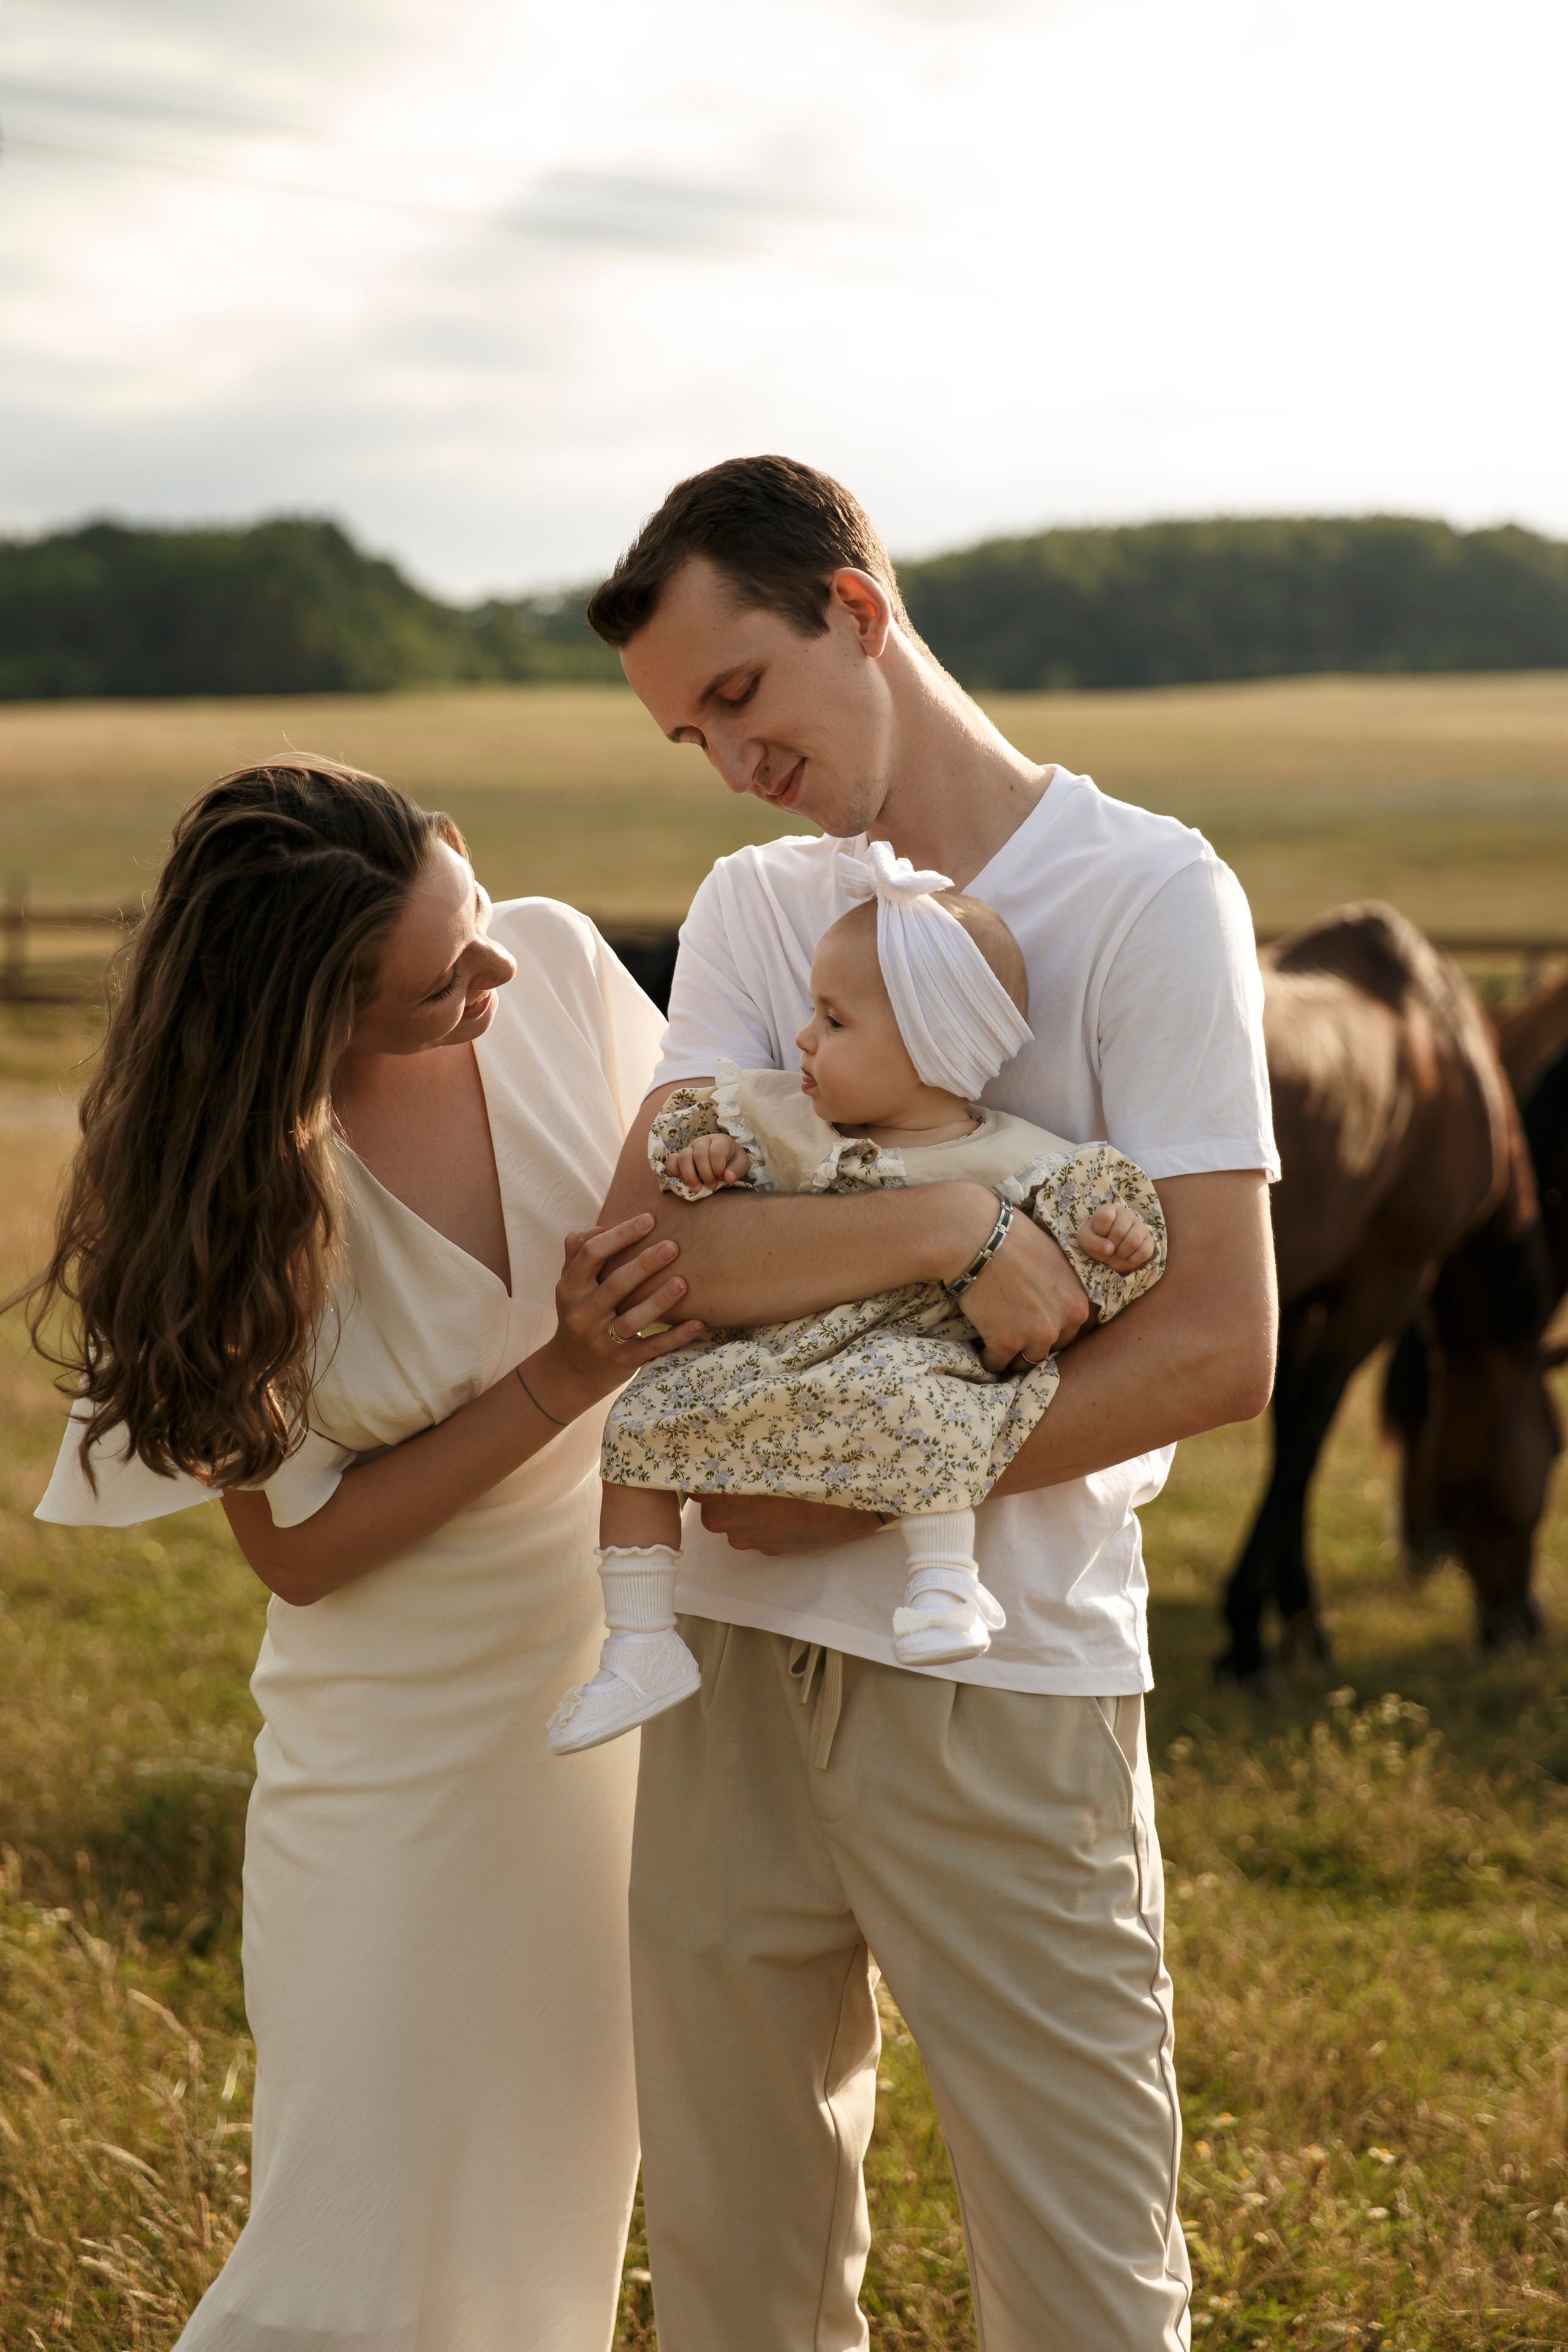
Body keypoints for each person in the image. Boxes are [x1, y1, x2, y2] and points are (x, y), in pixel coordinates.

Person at [582, 456, 1280, 2352]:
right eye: (685, 733)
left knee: (1081, 2278)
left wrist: (878, 1479)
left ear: (859, 613)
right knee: (740, 2276)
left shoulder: (1145, 893)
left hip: (1008, 1672)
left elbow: (1218, 1338)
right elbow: (652, 1264)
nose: (731, 761)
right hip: (720, 1663)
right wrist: (964, 1223)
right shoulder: (751, 907)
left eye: (740, 695)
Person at [26, 763, 702, 2352]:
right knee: (359, 2227)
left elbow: (721, 1210)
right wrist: (564, 1375)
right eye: (431, 983)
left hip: (618, 1711)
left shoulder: (560, 981)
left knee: (549, 2213)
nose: (497, 976)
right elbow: (302, 1555)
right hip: (398, 1763)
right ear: (304, 1013)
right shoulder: (242, 1192)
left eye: (469, 922)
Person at [548, 846, 1163, 1754]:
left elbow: (1097, 1244)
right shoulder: (786, 1121)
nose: (802, 1039)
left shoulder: (1009, 1153)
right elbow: (691, 1174)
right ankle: (640, 1642)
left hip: (911, 1358)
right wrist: (706, 1163)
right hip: (777, 1362)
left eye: (833, 1021)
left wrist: (1120, 1238)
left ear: (934, 1047)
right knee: (643, 1422)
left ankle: (947, 1581)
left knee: (936, 1409)